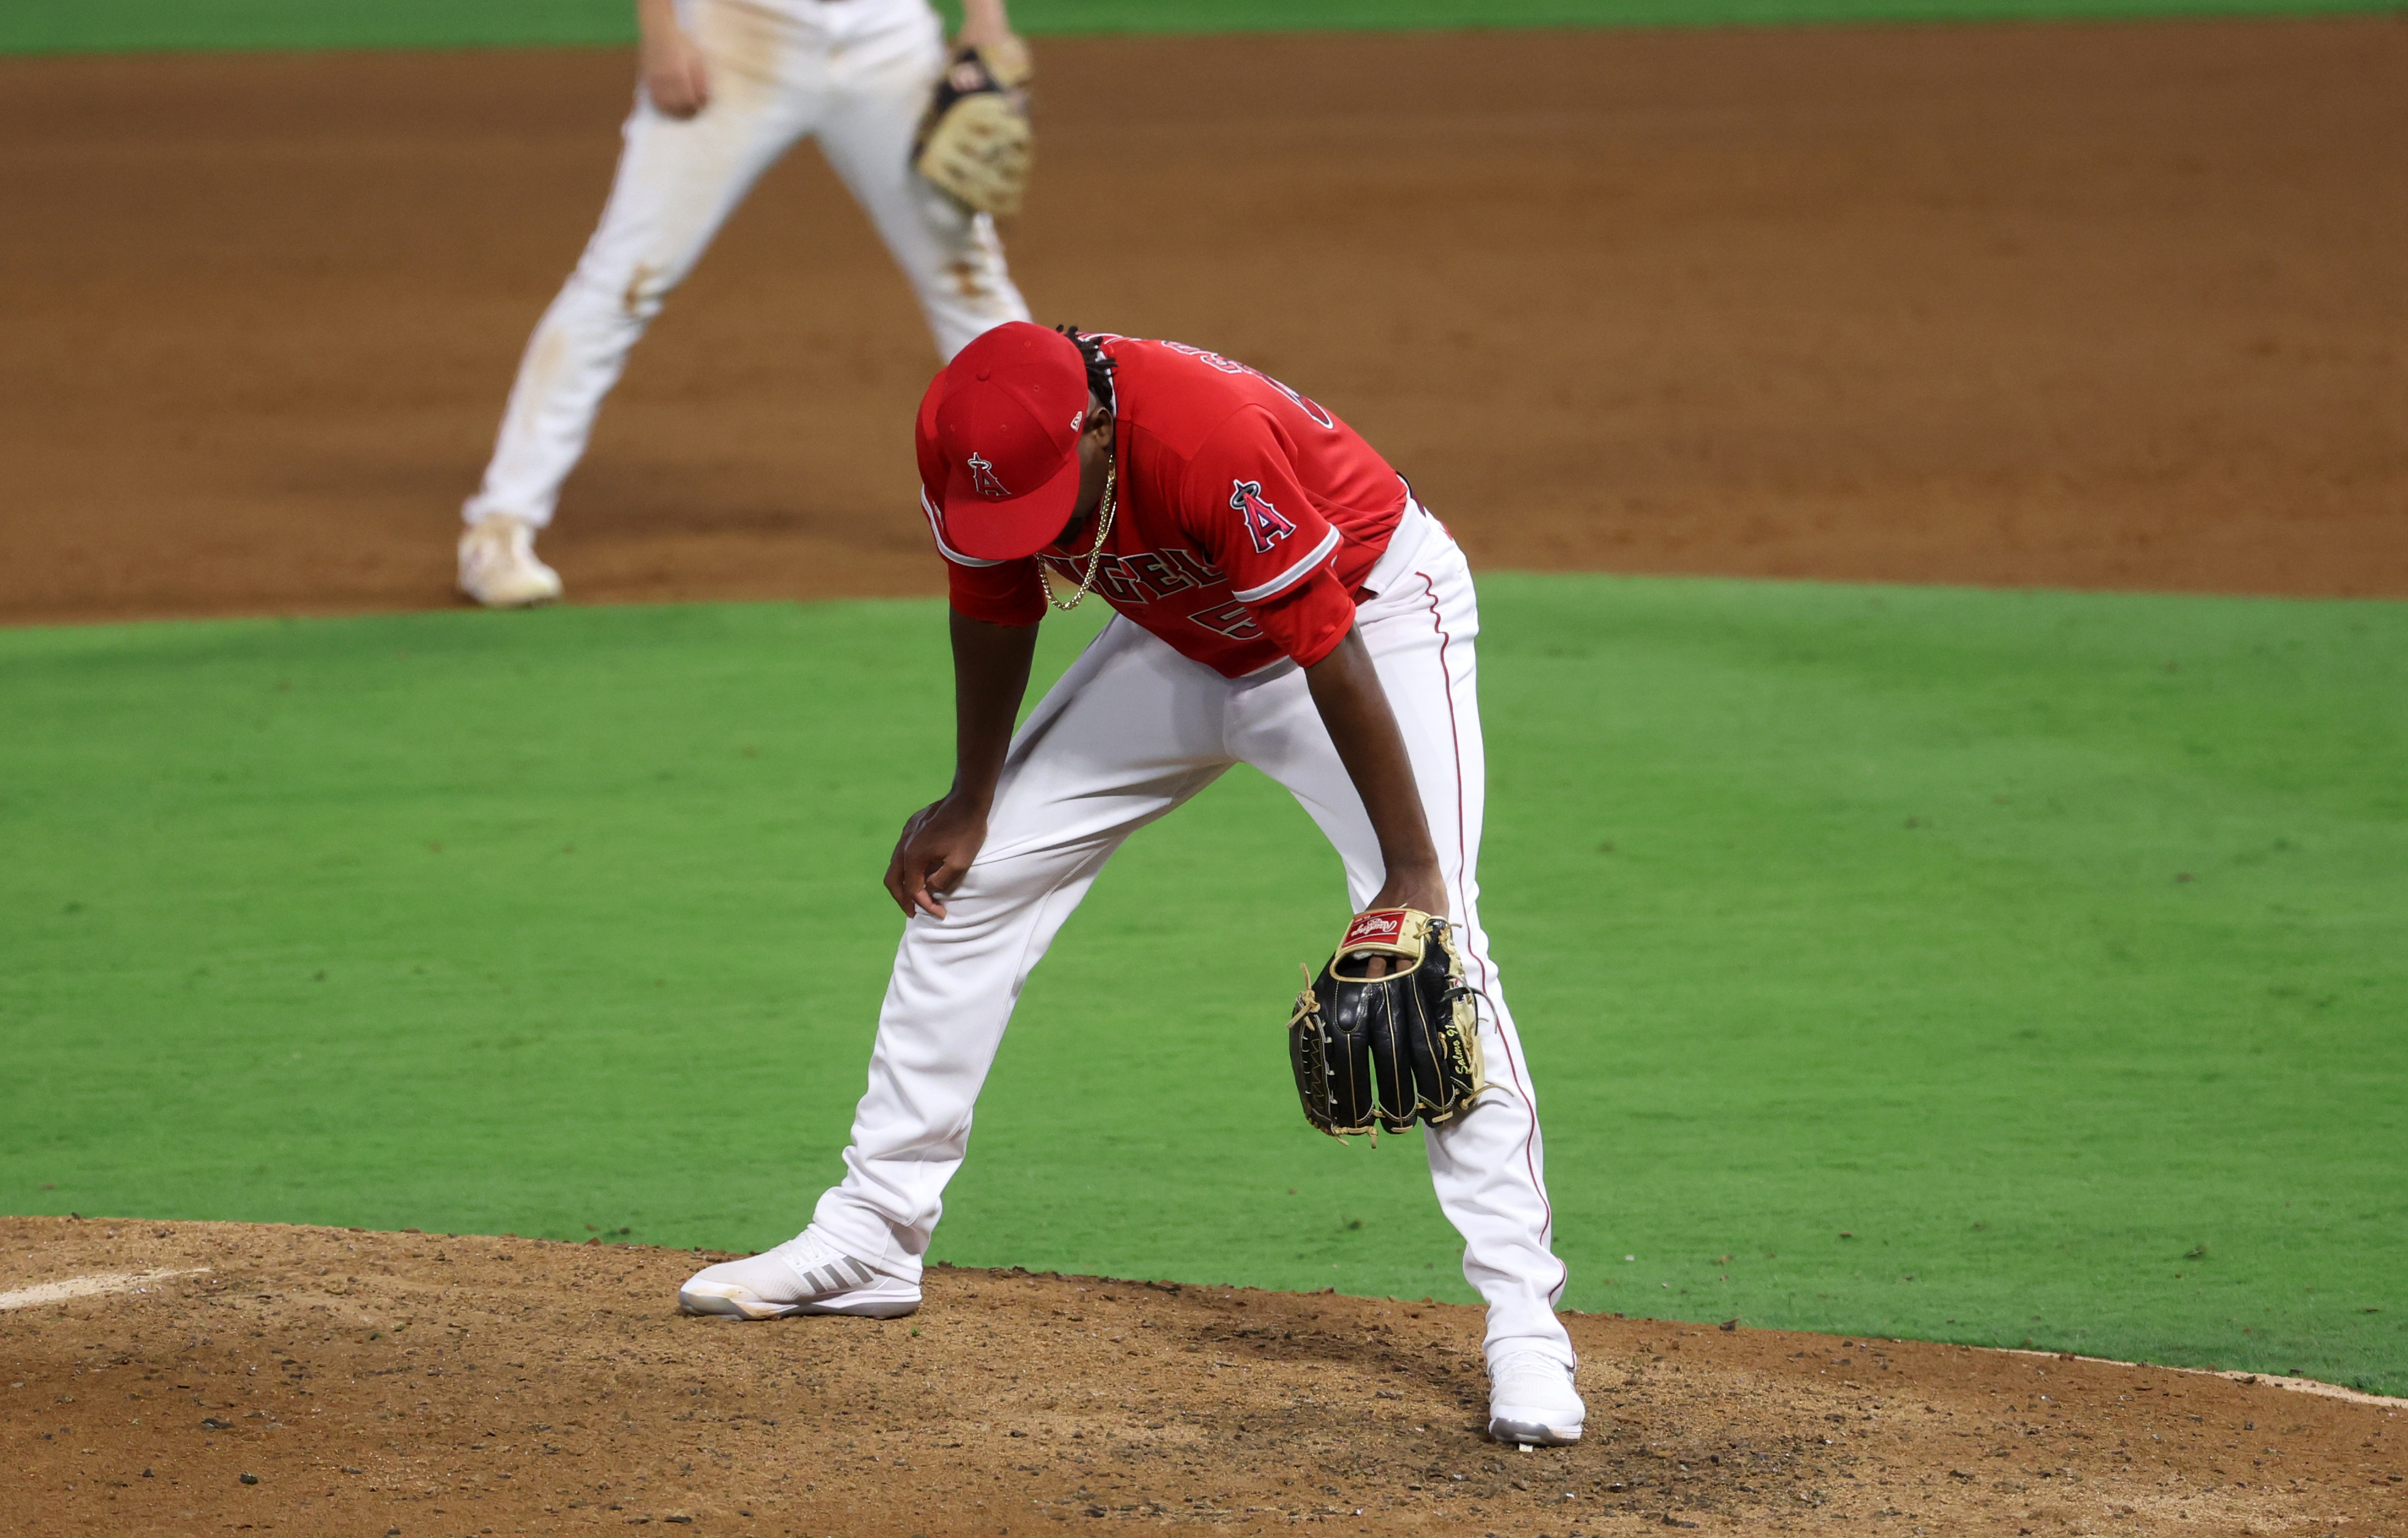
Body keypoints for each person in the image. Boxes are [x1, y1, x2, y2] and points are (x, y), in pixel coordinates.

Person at [676, 322, 1584, 1447]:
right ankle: (873, 1232)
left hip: (1367, 625)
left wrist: (1410, 873)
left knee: (1436, 952)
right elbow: (993, 600)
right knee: (977, 875)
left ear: (1098, 429)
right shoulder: (972, 448)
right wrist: (971, 793)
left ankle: (1522, 1322)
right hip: (1179, 646)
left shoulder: (1208, 439)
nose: (1039, 530)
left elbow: (1321, 637)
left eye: (1054, 498)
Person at [455, 0, 1031, 609]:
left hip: (887, 37)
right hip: (739, 34)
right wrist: (661, 29)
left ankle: (1056, 503)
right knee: (625, 280)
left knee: (968, 279)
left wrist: (985, 16)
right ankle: (500, 527)